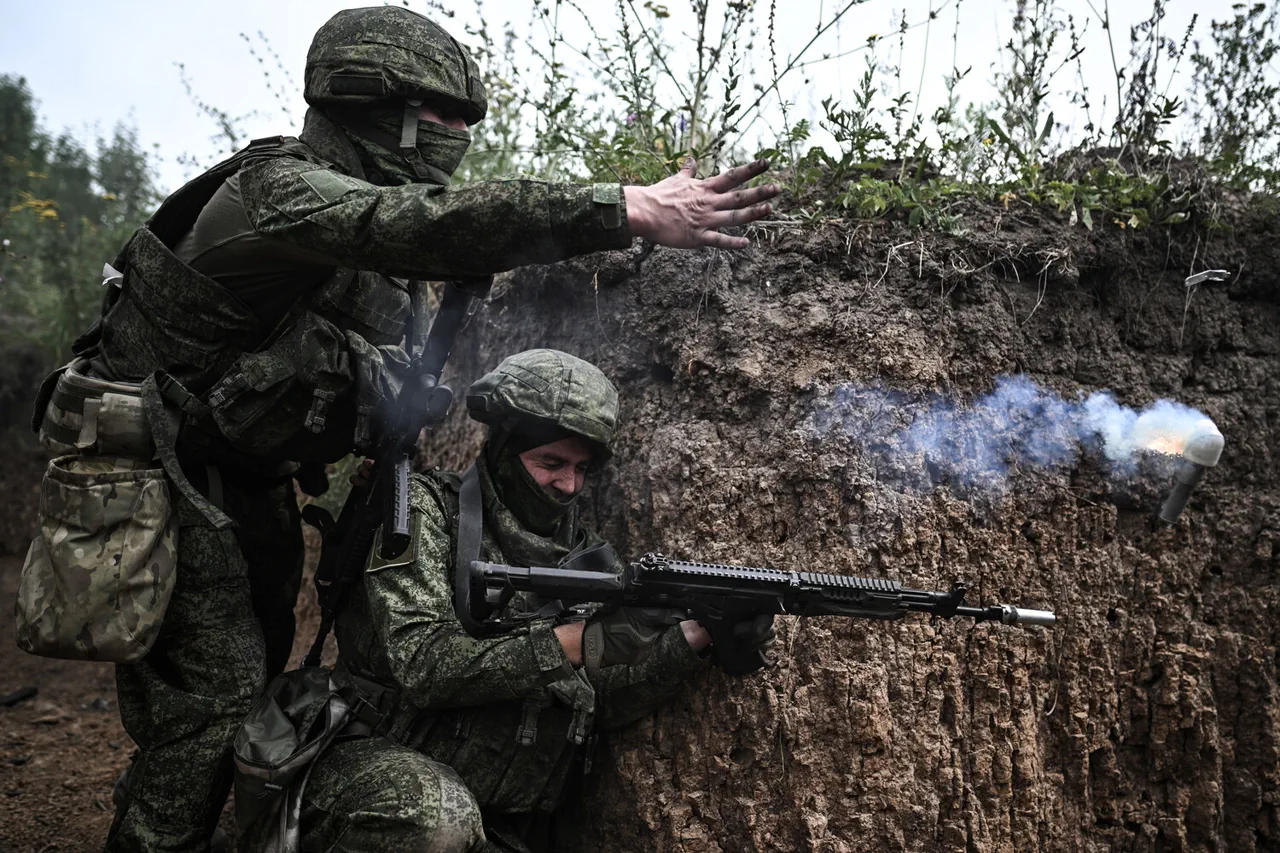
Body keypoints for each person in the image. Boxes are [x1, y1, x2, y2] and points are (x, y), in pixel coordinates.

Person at [32, 5, 780, 851]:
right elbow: (420, 225)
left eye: (468, 120)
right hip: (161, 474)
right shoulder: (278, 193)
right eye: (442, 115)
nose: (458, 135)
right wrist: (624, 207)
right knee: (209, 708)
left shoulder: (365, 237)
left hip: (250, 481)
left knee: (244, 692)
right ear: (365, 101)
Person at [281, 349, 773, 852]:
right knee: (436, 819)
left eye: (582, 468)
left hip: (498, 820)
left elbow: (603, 703)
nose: (568, 484)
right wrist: (575, 641)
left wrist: (692, 639)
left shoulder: (590, 559)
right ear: (503, 449)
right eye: (551, 462)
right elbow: (424, 664)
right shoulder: (423, 512)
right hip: (374, 772)